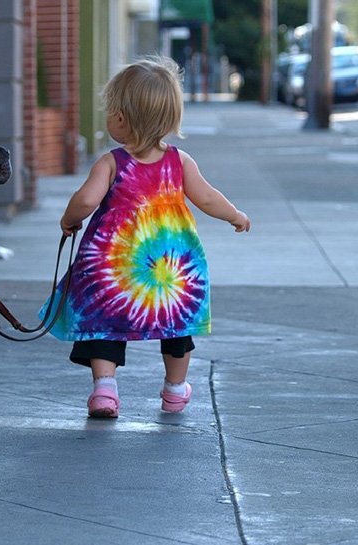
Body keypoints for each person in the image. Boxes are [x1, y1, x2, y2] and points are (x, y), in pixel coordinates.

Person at [39, 56, 251, 418]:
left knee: (104, 325)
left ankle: (105, 390)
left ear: (121, 119)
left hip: (115, 270)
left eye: (110, 110)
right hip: (169, 271)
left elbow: (86, 201)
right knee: (176, 328)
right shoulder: (179, 162)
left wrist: (68, 219)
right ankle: (175, 390)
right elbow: (207, 197)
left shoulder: (111, 163)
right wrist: (235, 215)